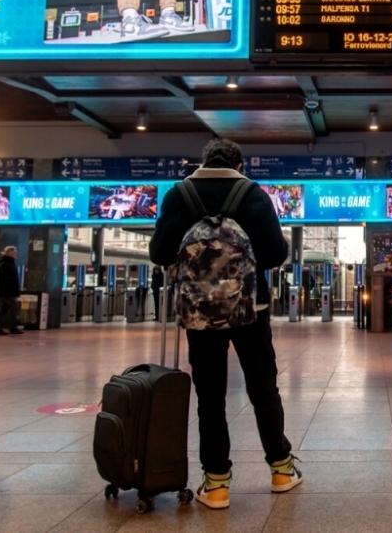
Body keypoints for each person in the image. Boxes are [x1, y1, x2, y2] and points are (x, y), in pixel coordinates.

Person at [149, 138, 302, 510]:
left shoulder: (179, 194)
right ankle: (281, 470)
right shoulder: (252, 194)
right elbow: (275, 253)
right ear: (240, 166)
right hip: (252, 307)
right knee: (263, 387)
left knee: (210, 395)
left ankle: (216, 484)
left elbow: (159, 252)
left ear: (203, 161)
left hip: (200, 312)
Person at [0, 246, 23, 336]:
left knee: (4, 309)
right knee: (14, 306)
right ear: (10, 253)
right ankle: (12, 327)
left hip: (7, 290)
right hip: (8, 291)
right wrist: (14, 286)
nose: (16, 255)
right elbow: (6, 278)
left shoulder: (7, 263)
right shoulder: (6, 264)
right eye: (14, 253)